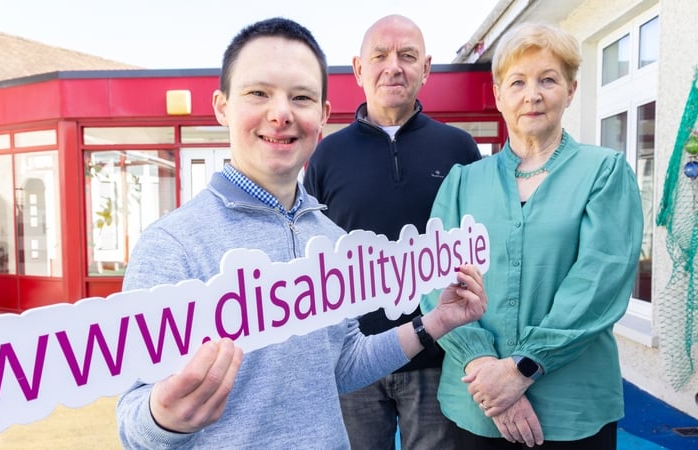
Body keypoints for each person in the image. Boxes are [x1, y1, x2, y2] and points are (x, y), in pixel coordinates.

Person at [116, 17, 487, 449]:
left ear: (322, 115)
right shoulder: (171, 246)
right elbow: (132, 420)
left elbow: (344, 362)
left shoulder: (329, 238)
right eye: (258, 93)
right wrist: (163, 419)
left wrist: (435, 321)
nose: (281, 113)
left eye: (301, 97)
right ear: (222, 107)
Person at [420, 22, 643, 449]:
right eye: (518, 82)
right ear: (499, 95)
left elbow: (600, 282)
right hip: (476, 401)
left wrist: (522, 368)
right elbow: (434, 282)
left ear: (571, 90)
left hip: (570, 405)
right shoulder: (462, 181)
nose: (532, 95)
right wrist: (486, 367)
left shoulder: (604, 172)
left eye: (548, 79)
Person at [303, 14, 482, 449]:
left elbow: (480, 245)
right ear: (358, 68)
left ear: (427, 67)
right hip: (354, 360)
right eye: (379, 56)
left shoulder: (459, 148)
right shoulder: (327, 154)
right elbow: (307, 251)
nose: (393, 66)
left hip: (438, 355)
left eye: (407, 55)